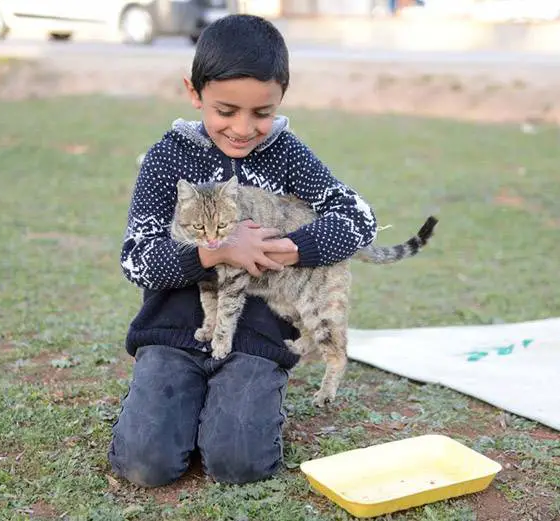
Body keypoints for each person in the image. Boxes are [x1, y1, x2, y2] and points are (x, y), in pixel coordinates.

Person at [108, 14, 377, 487]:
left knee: (240, 465)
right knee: (143, 465)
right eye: (225, 110)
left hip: (256, 338)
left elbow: (359, 219)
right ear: (194, 93)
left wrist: (290, 248)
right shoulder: (168, 156)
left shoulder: (287, 154)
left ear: (281, 98)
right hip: (173, 333)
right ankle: (180, 405)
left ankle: (238, 402)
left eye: (262, 113)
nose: (243, 128)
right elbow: (136, 257)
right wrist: (215, 252)